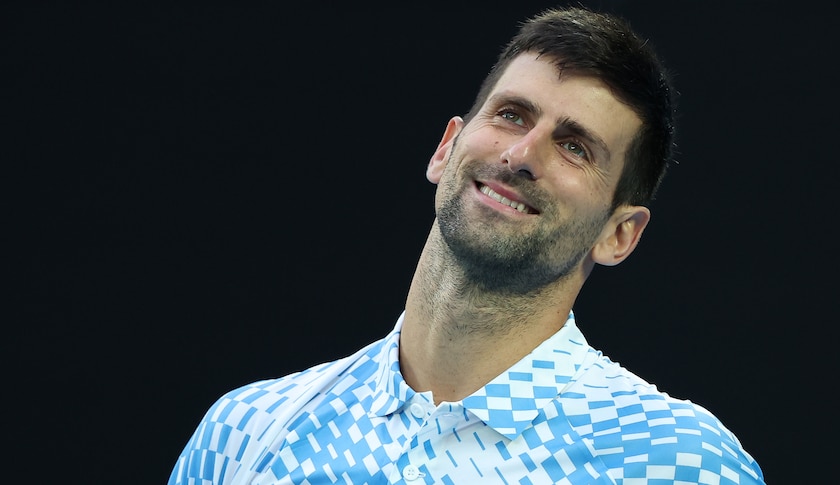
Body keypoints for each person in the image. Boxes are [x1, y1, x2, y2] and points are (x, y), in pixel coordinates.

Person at [169, 6, 766, 484]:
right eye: (511, 115)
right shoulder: (246, 434)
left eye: (575, 147)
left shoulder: (679, 466)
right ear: (445, 148)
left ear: (620, 234)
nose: (521, 155)